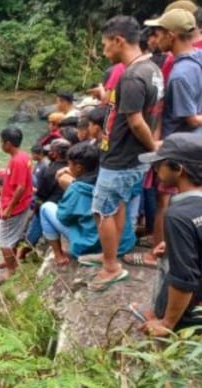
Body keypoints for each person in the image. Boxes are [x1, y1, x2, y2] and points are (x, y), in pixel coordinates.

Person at [91, 16, 163, 292]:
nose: (104, 50)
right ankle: (110, 256)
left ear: (119, 40)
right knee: (116, 205)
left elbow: (136, 121)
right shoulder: (151, 68)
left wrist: (152, 146)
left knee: (101, 210)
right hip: (129, 157)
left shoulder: (133, 76)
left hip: (122, 157)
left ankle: (111, 268)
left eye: (106, 44)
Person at [146, 8, 202, 269]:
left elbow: (189, 117)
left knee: (165, 201)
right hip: (194, 142)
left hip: (179, 144)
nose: (155, 38)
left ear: (171, 35)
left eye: (158, 32)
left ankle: (158, 253)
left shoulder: (179, 75)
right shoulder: (198, 59)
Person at [134, 133, 202, 335]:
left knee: (172, 268)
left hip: (194, 308)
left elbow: (184, 278)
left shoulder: (178, 216)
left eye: (159, 164)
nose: (155, 169)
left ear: (178, 169)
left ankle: (164, 315)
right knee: (168, 254)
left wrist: (168, 323)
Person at [0, 126, 33, 279]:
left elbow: (20, 187)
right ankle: (12, 263)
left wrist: (9, 208)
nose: (0, 144)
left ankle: (11, 270)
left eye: (1, 142)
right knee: (12, 237)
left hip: (16, 207)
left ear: (8, 144)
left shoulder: (17, 161)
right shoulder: (24, 156)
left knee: (3, 240)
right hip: (21, 204)